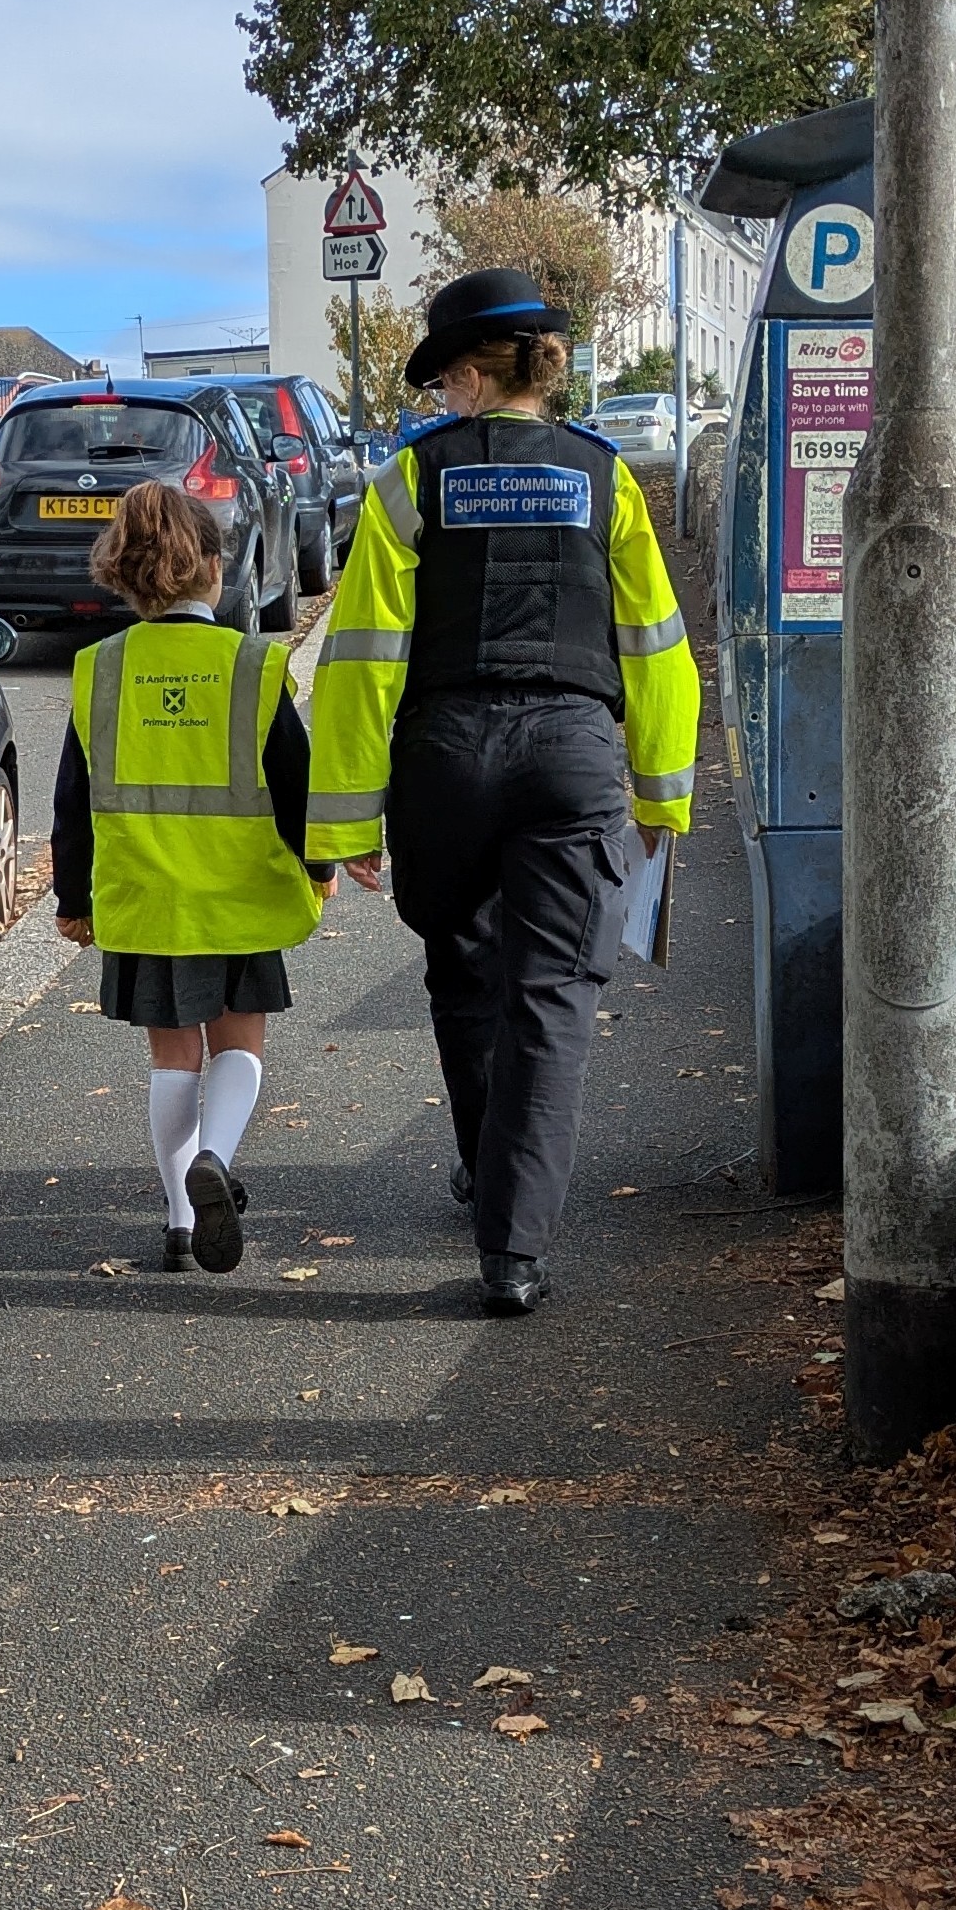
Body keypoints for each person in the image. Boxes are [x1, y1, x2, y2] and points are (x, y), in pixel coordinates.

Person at [307, 268, 700, 1316]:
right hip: (573, 756)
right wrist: (662, 796)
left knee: (466, 959)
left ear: (477, 375)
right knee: (554, 995)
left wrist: (345, 817)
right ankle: (512, 1249)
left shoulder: (410, 481)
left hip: (447, 755)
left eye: (444, 382)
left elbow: (360, 660)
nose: (438, 400)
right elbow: (657, 648)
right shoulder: (605, 478)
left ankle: (485, 1171)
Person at [53, 483, 335, 1274]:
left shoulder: (97, 670)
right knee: (238, 1046)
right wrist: (318, 865)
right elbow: (293, 778)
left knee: (170, 1056)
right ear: (213, 568)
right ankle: (217, 1152)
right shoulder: (252, 664)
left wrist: (72, 901)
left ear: (123, 573)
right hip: (238, 892)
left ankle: (180, 1216)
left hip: (145, 896)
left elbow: (70, 802)